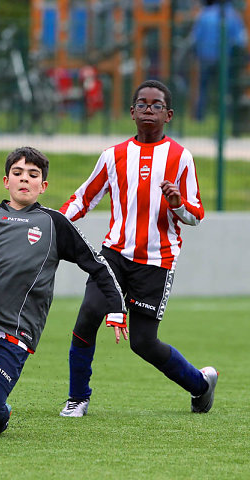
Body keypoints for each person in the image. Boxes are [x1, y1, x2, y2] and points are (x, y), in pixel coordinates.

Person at [0, 146, 126, 436]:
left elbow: (97, 265)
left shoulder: (54, 223)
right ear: (6, 181)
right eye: (17, 173)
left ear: (43, 186)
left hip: (16, 332)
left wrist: (116, 306)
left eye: (32, 175)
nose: (24, 179)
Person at [59, 79, 218, 418]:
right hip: (114, 256)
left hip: (156, 262)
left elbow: (196, 216)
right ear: (132, 112)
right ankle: (77, 398)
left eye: (157, 105)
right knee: (88, 315)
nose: (149, 109)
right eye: (142, 104)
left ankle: (201, 386)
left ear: (169, 115)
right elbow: (83, 198)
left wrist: (176, 203)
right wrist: (52, 223)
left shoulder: (181, 158)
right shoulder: (113, 155)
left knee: (143, 343)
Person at [192, 0, 247, 121]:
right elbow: (240, 40)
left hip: (205, 57)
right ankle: (226, 117)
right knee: (225, 89)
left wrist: (198, 53)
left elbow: (195, 38)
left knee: (203, 88)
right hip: (225, 59)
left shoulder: (205, 14)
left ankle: (200, 117)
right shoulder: (233, 15)